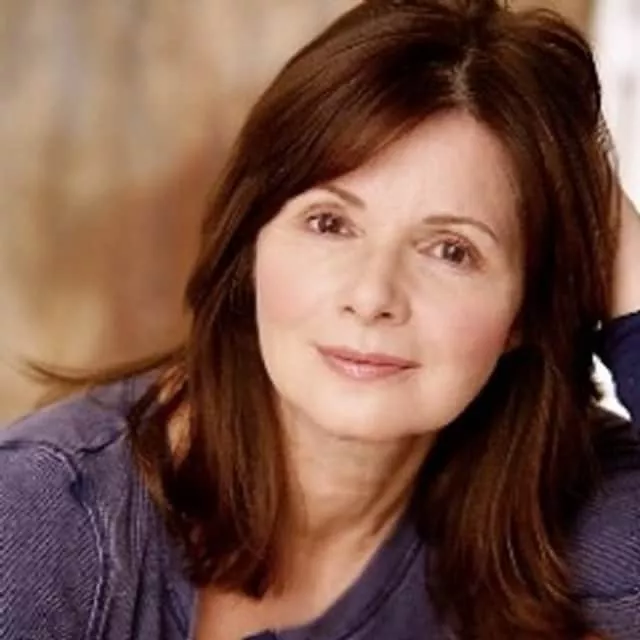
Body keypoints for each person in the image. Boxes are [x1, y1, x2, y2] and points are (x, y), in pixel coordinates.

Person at [1, 1, 639, 638]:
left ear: (525, 310)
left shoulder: (566, 505)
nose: (372, 295)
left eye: (451, 250)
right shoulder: (44, 516)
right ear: (252, 243)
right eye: (330, 223)